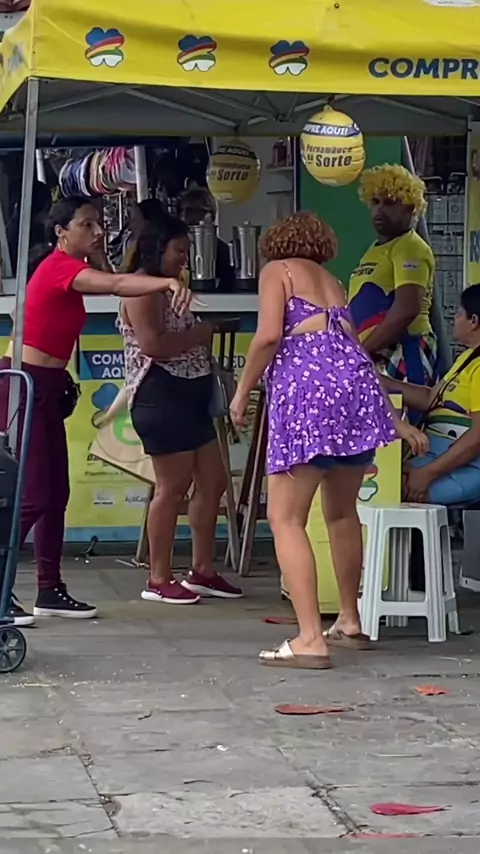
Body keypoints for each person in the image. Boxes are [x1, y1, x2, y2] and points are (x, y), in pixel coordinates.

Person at [229, 212, 426, 669]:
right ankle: (350, 620)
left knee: (285, 519)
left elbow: (269, 336)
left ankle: (310, 638)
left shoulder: (278, 271)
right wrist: (392, 419)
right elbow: (355, 350)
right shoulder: (334, 284)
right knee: (341, 513)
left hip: (307, 394)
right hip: (355, 392)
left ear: (276, 242)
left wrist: (242, 391)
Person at [0, 195, 194, 627]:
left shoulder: (75, 267)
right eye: (87, 225)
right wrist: (165, 283)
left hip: (47, 385)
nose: (98, 230)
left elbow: (110, 278)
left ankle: (49, 589)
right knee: (31, 497)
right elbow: (118, 285)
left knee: (56, 495)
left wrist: (104, 256)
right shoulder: (59, 268)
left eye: (100, 223)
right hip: (24, 385)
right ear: (61, 233)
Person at [119, 215, 243, 604]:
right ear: (157, 249)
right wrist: (202, 333)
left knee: (213, 480)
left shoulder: (172, 287)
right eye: (179, 251)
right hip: (161, 395)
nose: (185, 259)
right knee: (172, 488)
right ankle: (158, 576)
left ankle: (202, 570)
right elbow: (153, 345)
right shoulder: (143, 290)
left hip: (190, 395)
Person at [382, 284, 480, 506]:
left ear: (473, 321)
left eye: (459, 313)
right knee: (373, 475)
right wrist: (378, 380)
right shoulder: (467, 358)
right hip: (438, 452)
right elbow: (430, 399)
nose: (454, 319)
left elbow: (477, 438)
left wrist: (427, 473)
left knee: (386, 488)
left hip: (463, 464)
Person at [348, 164, 438, 401]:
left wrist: (361, 350)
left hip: (406, 348)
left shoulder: (410, 247)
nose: (380, 210)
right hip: (375, 352)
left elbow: (407, 309)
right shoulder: (375, 250)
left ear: (410, 207)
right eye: (375, 202)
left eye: (389, 203)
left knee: (402, 422)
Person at [179, 186, 236, 293]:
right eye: (182, 211)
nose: (185, 216)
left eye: (193, 211)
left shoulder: (222, 250)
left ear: (211, 215)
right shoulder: (176, 249)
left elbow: (228, 286)